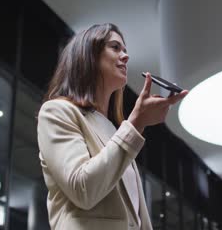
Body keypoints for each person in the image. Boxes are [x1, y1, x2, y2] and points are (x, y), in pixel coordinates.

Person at [37, 23, 188, 230]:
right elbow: (83, 189)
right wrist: (136, 124)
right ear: (88, 55)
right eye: (115, 47)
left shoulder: (116, 130)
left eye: (125, 50)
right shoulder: (57, 111)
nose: (125, 56)